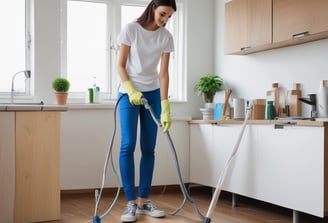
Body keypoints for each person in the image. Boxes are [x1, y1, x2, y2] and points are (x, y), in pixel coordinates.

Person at [116, 0, 177, 222]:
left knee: (149, 148)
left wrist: (165, 105)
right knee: (128, 144)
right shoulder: (131, 29)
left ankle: (143, 201)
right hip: (128, 92)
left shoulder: (166, 37)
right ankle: (130, 203)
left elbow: (163, 74)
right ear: (153, 7)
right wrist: (130, 89)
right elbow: (121, 65)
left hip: (152, 93)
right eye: (163, 14)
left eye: (169, 17)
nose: (165, 20)